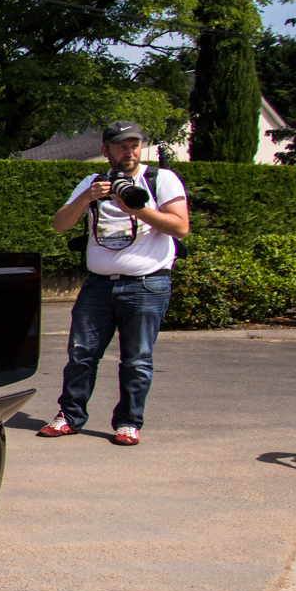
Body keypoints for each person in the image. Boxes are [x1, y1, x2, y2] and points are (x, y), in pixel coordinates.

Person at [40, 120, 190, 447]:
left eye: (134, 145)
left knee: (136, 358)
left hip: (146, 285)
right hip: (98, 286)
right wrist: (85, 199)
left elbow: (180, 227)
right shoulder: (92, 182)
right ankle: (69, 416)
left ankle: (128, 422)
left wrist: (137, 209)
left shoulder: (160, 179)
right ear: (106, 150)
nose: (130, 151)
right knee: (81, 353)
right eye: (122, 146)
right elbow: (60, 224)